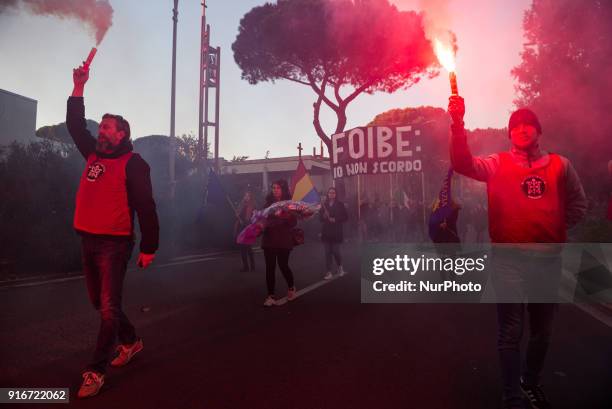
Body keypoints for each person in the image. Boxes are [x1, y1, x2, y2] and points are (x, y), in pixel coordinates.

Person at [448, 96, 587, 409]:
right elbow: (463, 164)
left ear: (538, 131)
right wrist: (457, 125)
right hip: (508, 260)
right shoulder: (498, 163)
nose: (523, 130)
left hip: (547, 261)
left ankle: (530, 381)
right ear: (510, 134)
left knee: (543, 333)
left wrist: (554, 227)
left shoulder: (561, 165)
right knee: (511, 331)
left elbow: (578, 203)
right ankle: (512, 397)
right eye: (516, 126)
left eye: (529, 125)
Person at [68, 63, 159, 398]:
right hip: (88, 240)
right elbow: (76, 125)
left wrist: (150, 247)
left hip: (115, 245)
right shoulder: (93, 153)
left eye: (107, 128)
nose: (101, 132)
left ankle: (95, 370)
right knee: (100, 304)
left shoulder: (133, 163)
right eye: (101, 128)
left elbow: (147, 207)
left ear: (122, 134)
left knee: (107, 307)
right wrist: (79, 87)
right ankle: (131, 341)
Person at [261, 180, 297, 306]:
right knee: (270, 268)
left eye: (278, 188)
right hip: (269, 240)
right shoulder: (267, 204)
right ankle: (270, 296)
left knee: (283, 265)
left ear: (283, 189)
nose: (275, 190)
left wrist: (283, 215)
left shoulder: (289, 204)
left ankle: (291, 287)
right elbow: (262, 220)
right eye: (273, 187)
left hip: (283, 240)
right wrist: (258, 221)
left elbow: (293, 222)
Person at [319, 187, 349, 279]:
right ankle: (328, 272)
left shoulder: (340, 205)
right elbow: (320, 219)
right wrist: (323, 216)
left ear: (336, 194)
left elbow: (345, 217)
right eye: (330, 193)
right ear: (328, 194)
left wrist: (335, 219)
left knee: (336, 251)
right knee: (327, 253)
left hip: (336, 232)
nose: (331, 194)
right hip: (326, 232)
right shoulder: (324, 205)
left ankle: (340, 267)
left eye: (333, 193)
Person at [235, 190, 256, 272]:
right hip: (241, 227)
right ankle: (246, 267)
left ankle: (252, 266)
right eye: (245, 195)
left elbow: (254, 217)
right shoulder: (242, 204)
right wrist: (237, 216)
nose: (246, 197)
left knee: (248, 248)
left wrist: (248, 223)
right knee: (242, 248)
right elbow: (238, 213)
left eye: (248, 196)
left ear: (250, 197)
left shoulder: (253, 206)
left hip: (248, 227)